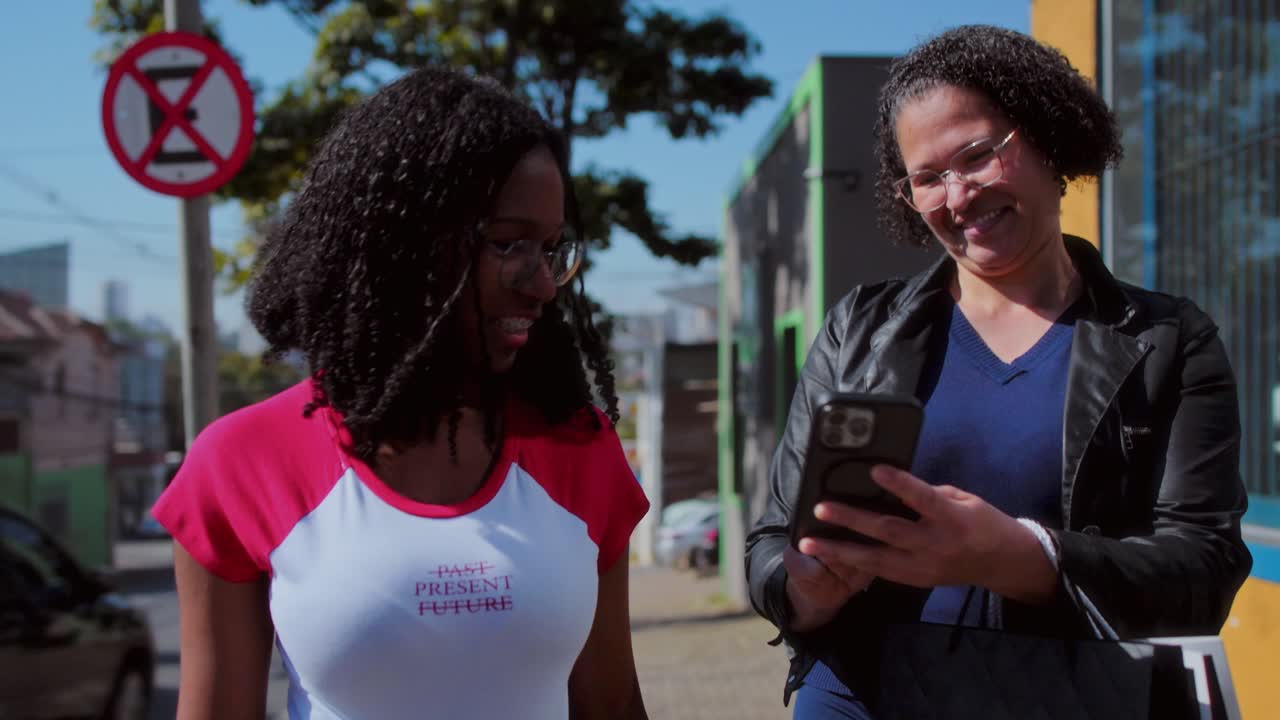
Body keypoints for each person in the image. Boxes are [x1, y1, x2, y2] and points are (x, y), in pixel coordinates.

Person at [745, 25, 1253, 719]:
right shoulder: (858, 329)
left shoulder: (1168, 341)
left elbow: (1205, 571)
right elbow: (772, 539)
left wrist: (1022, 557)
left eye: (977, 155)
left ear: (1045, 136)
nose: (956, 196)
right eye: (926, 178)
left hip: (1081, 696)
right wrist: (805, 588)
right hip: (863, 694)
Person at [151, 67, 650, 720]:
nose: (544, 285)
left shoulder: (577, 447)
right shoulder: (240, 462)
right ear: (402, 245)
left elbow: (612, 708)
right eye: (508, 244)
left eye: (552, 249)